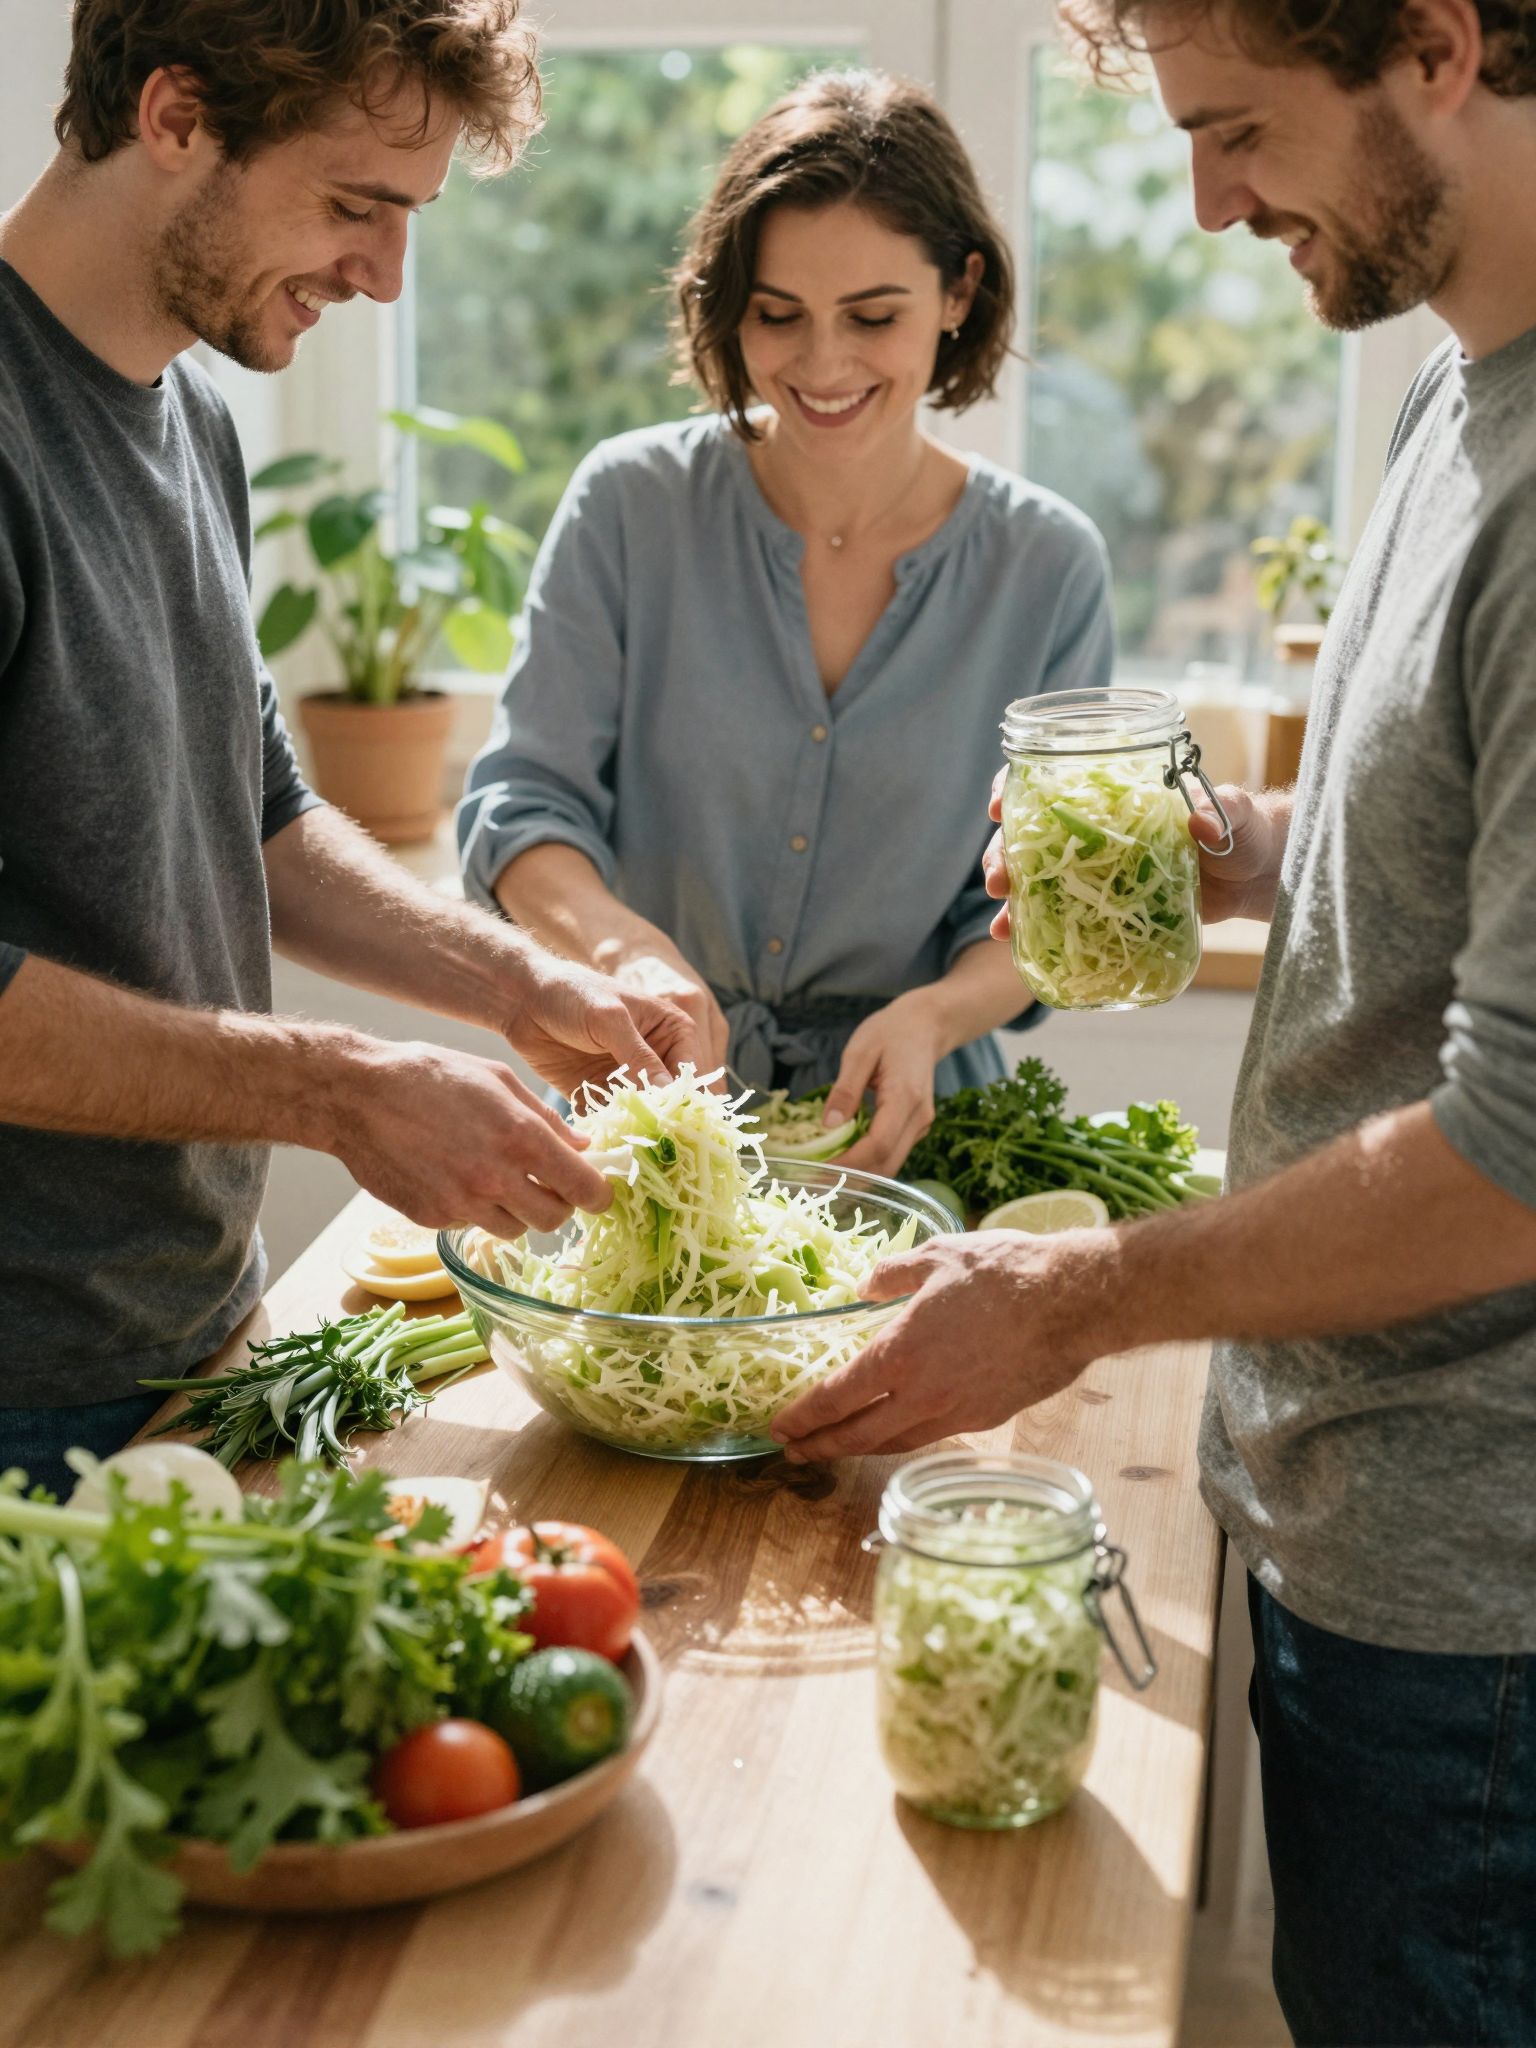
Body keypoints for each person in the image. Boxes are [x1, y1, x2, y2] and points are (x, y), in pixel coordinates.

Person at [774, 3, 1536, 2042]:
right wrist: (1248, 842)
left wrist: (1076, 1298)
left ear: (1439, 46)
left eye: (1239, 131)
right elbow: (1458, 853)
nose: (1207, 203)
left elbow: (1517, 1160)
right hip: (1361, 1520)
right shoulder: (1466, 403)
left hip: (1487, 1612)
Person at [0, 0, 693, 1498]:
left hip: (193, 1336)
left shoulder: (189, 412)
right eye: (354, 206)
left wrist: (518, 983)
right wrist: (334, 1088)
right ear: (176, 116)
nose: (384, 277)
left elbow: (256, 815)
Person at [457, 69, 1114, 1176]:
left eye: (873, 316)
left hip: (910, 1138)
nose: (822, 364)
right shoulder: (629, 506)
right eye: (778, 315)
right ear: (728, 306)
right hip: (653, 1111)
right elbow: (523, 807)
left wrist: (936, 1017)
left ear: (958, 293)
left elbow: (1046, 911)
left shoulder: (1048, 568)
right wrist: (631, 952)